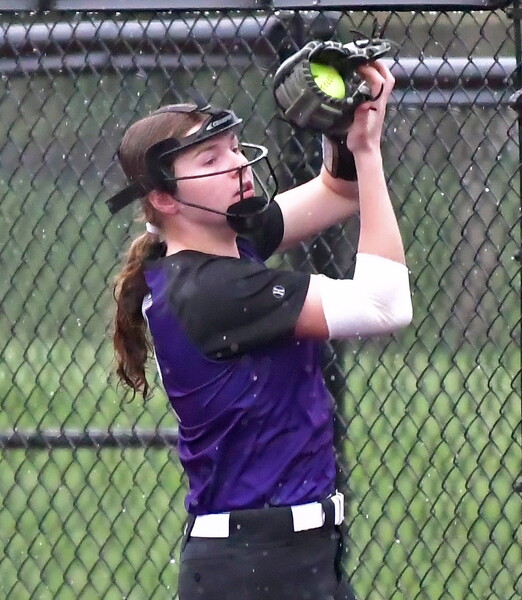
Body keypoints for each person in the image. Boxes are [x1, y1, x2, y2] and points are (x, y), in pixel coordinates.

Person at [108, 60, 412, 600]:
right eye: (210, 158)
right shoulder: (212, 291)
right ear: (163, 198)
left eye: (233, 148)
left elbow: (338, 192)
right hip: (255, 566)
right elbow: (384, 306)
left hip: (290, 557)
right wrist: (368, 153)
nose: (236, 164)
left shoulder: (226, 248)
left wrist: (343, 130)